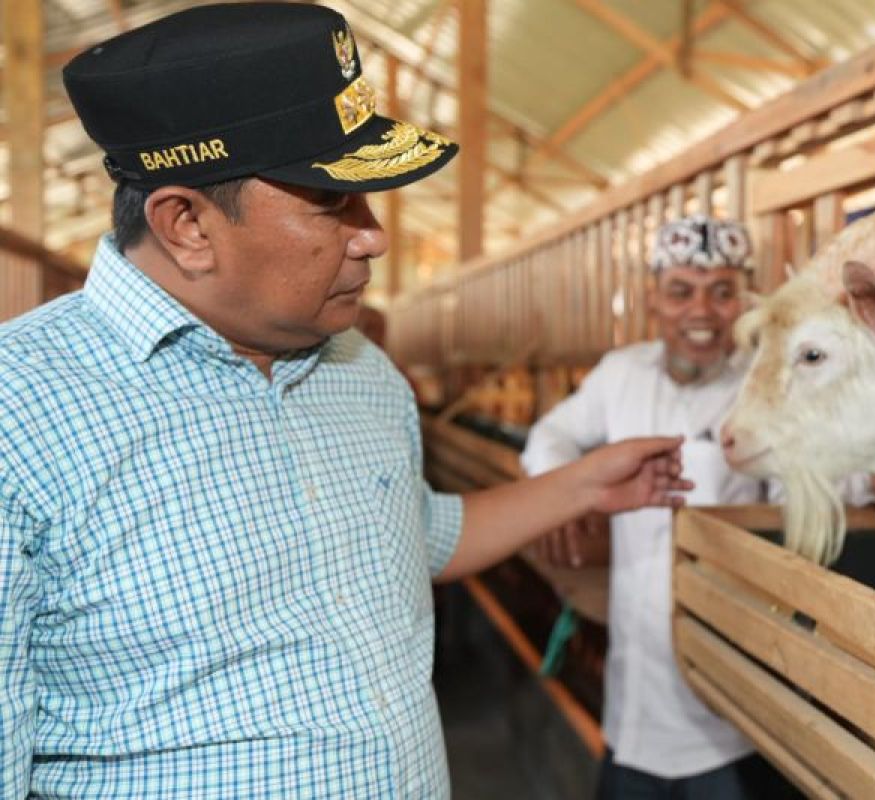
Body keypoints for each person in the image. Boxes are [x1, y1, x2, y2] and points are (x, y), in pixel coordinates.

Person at [0, 5, 691, 798]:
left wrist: (584, 483)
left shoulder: (360, 369)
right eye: (333, 204)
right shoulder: (19, 414)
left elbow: (409, 535)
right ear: (186, 223)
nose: (375, 236)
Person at [522, 215, 804, 799]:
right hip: (635, 697)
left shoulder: (766, 386)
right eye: (681, 291)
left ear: (743, 304)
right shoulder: (621, 374)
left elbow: (797, 507)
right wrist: (564, 497)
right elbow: (548, 437)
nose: (701, 311)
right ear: (654, 299)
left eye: (722, 292)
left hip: (732, 705)